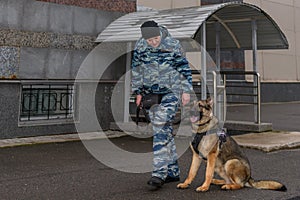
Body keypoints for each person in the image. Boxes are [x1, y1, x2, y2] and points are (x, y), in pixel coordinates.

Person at [131, 20, 193, 188]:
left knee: (159, 125)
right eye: (150, 40)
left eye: (156, 38)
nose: (154, 42)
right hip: (151, 94)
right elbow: (136, 69)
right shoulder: (140, 46)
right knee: (164, 130)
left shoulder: (173, 44)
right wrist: (137, 92)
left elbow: (184, 68)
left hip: (171, 92)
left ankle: (159, 174)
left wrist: (186, 91)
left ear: (160, 32)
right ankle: (172, 172)